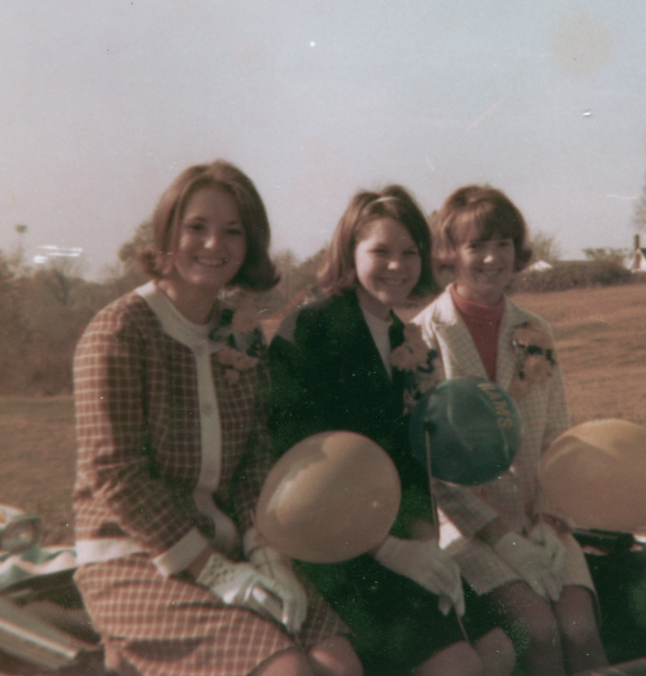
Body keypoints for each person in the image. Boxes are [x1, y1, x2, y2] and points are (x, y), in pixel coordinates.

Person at [72, 160, 361, 676]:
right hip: (136, 556)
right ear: (167, 232)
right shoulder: (117, 331)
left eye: (233, 231)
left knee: (339, 663)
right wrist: (212, 570)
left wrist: (265, 550)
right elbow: (115, 473)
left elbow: (255, 454)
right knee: (286, 670)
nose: (213, 244)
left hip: (232, 552)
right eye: (196, 228)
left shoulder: (241, 334)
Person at [268, 186, 514, 676]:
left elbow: (412, 460)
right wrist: (388, 548)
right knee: (457, 665)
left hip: (403, 541)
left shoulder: (406, 337)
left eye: (409, 253)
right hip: (335, 549)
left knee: (501, 648)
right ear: (349, 252)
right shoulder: (313, 329)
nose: (397, 266)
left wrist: (424, 544)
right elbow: (298, 463)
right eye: (380, 251)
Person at [412, 185, 608, 675]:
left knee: (582, 631)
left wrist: (549, 517)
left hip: (542, 522)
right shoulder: (422, 337)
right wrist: (502, 537)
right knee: (538, 632)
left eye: (502, 244)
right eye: (475, 246)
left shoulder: (534, 328)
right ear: (450, 254)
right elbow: (430, 465)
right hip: (470, 531)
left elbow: (557, 436)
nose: (491, 258)